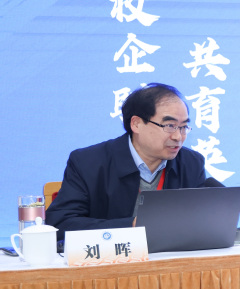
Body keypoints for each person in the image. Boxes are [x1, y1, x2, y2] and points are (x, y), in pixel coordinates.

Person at [46, 83, 208, 241]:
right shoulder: (88, 163)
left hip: (170, 256)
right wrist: (131, 226)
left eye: (183, 127)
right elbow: (60, 224)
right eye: (170, 126)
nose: (178, 137)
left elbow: (203, 220)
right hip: (109, 257)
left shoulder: (192, 163)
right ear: (136, 124)